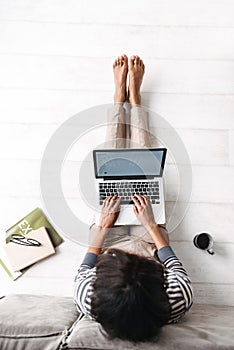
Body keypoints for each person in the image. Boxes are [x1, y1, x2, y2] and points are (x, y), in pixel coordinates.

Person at [73, 55, 193, 342]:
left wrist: (103, 227)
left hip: (108, 246)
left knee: (112, 172)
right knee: (144, 169)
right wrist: (151, 225)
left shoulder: (90, 300)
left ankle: (118, 100)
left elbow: (87, 265)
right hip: (148, 243)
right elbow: (174, 266)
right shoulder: (176, 301)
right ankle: (135, 101)